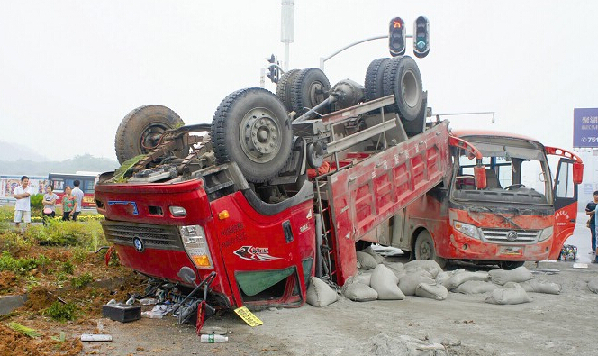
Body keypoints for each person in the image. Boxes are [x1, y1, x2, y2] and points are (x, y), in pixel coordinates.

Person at [586, 191, 598, 255]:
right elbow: (587, 213)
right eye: (596, 195)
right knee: (594, 235)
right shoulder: (590, 204)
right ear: (593, 196)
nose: (597, 196)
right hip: (593, 222)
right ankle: (594, 249)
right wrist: (592, 212)